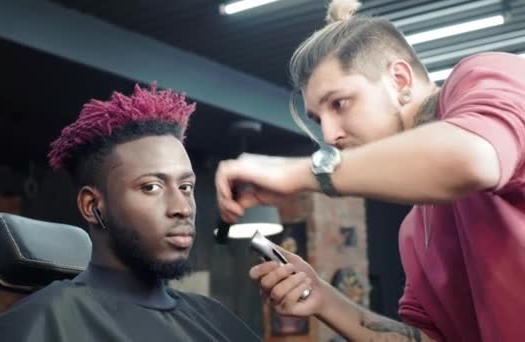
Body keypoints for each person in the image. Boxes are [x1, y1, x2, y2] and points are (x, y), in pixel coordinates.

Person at [215, 0, 525, 341]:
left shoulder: (484, 76)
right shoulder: (415, 231)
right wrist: (325, 299)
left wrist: (297, 173)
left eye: (339, 104)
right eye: (318, 120)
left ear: (399, 79)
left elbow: (472, 158)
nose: (330, 135)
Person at [0, 83, 261, 342]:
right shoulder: (50, 322)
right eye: (151, 187)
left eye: (186, 187)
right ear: (93, 207)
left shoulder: (214, 320)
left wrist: (315, 305)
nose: (181, 208)